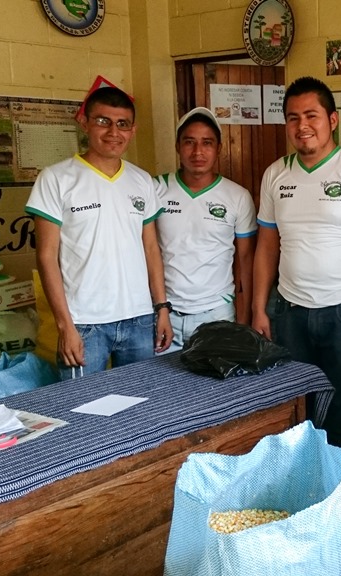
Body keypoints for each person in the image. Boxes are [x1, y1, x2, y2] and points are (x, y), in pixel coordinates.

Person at [251, 77, 341, 493]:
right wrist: (259, 308)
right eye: (293, 118)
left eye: (311, 115)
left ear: (332, 120)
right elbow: (266, 246)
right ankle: (301, 494)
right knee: (297, 411)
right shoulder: (276, 175)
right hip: (290, 312)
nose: (302, 125)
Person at [26, 86, 173, 380]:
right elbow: (46, 257)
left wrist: (162, 309)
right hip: (84, 323)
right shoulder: (56, 179)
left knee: (142, 404)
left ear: (133, 130)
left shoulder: (141, 180)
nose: (113, 132)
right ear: (85, 122)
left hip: (139, 320)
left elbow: (151, 249)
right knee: (83, 411)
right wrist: (65, 325)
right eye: (103, 121)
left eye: (122, 124)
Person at [154, 107, 256, 352]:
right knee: (163, 389)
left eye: (207, 143)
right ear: (178, 146)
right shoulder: (155, 189)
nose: (198, 152)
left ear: (219, 148)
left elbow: (245, 260)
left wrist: (243, 321)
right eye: (189, 142)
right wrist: (160, 309)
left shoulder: (238, 196)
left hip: (217, 314)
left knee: (218, 390)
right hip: (165, 315)